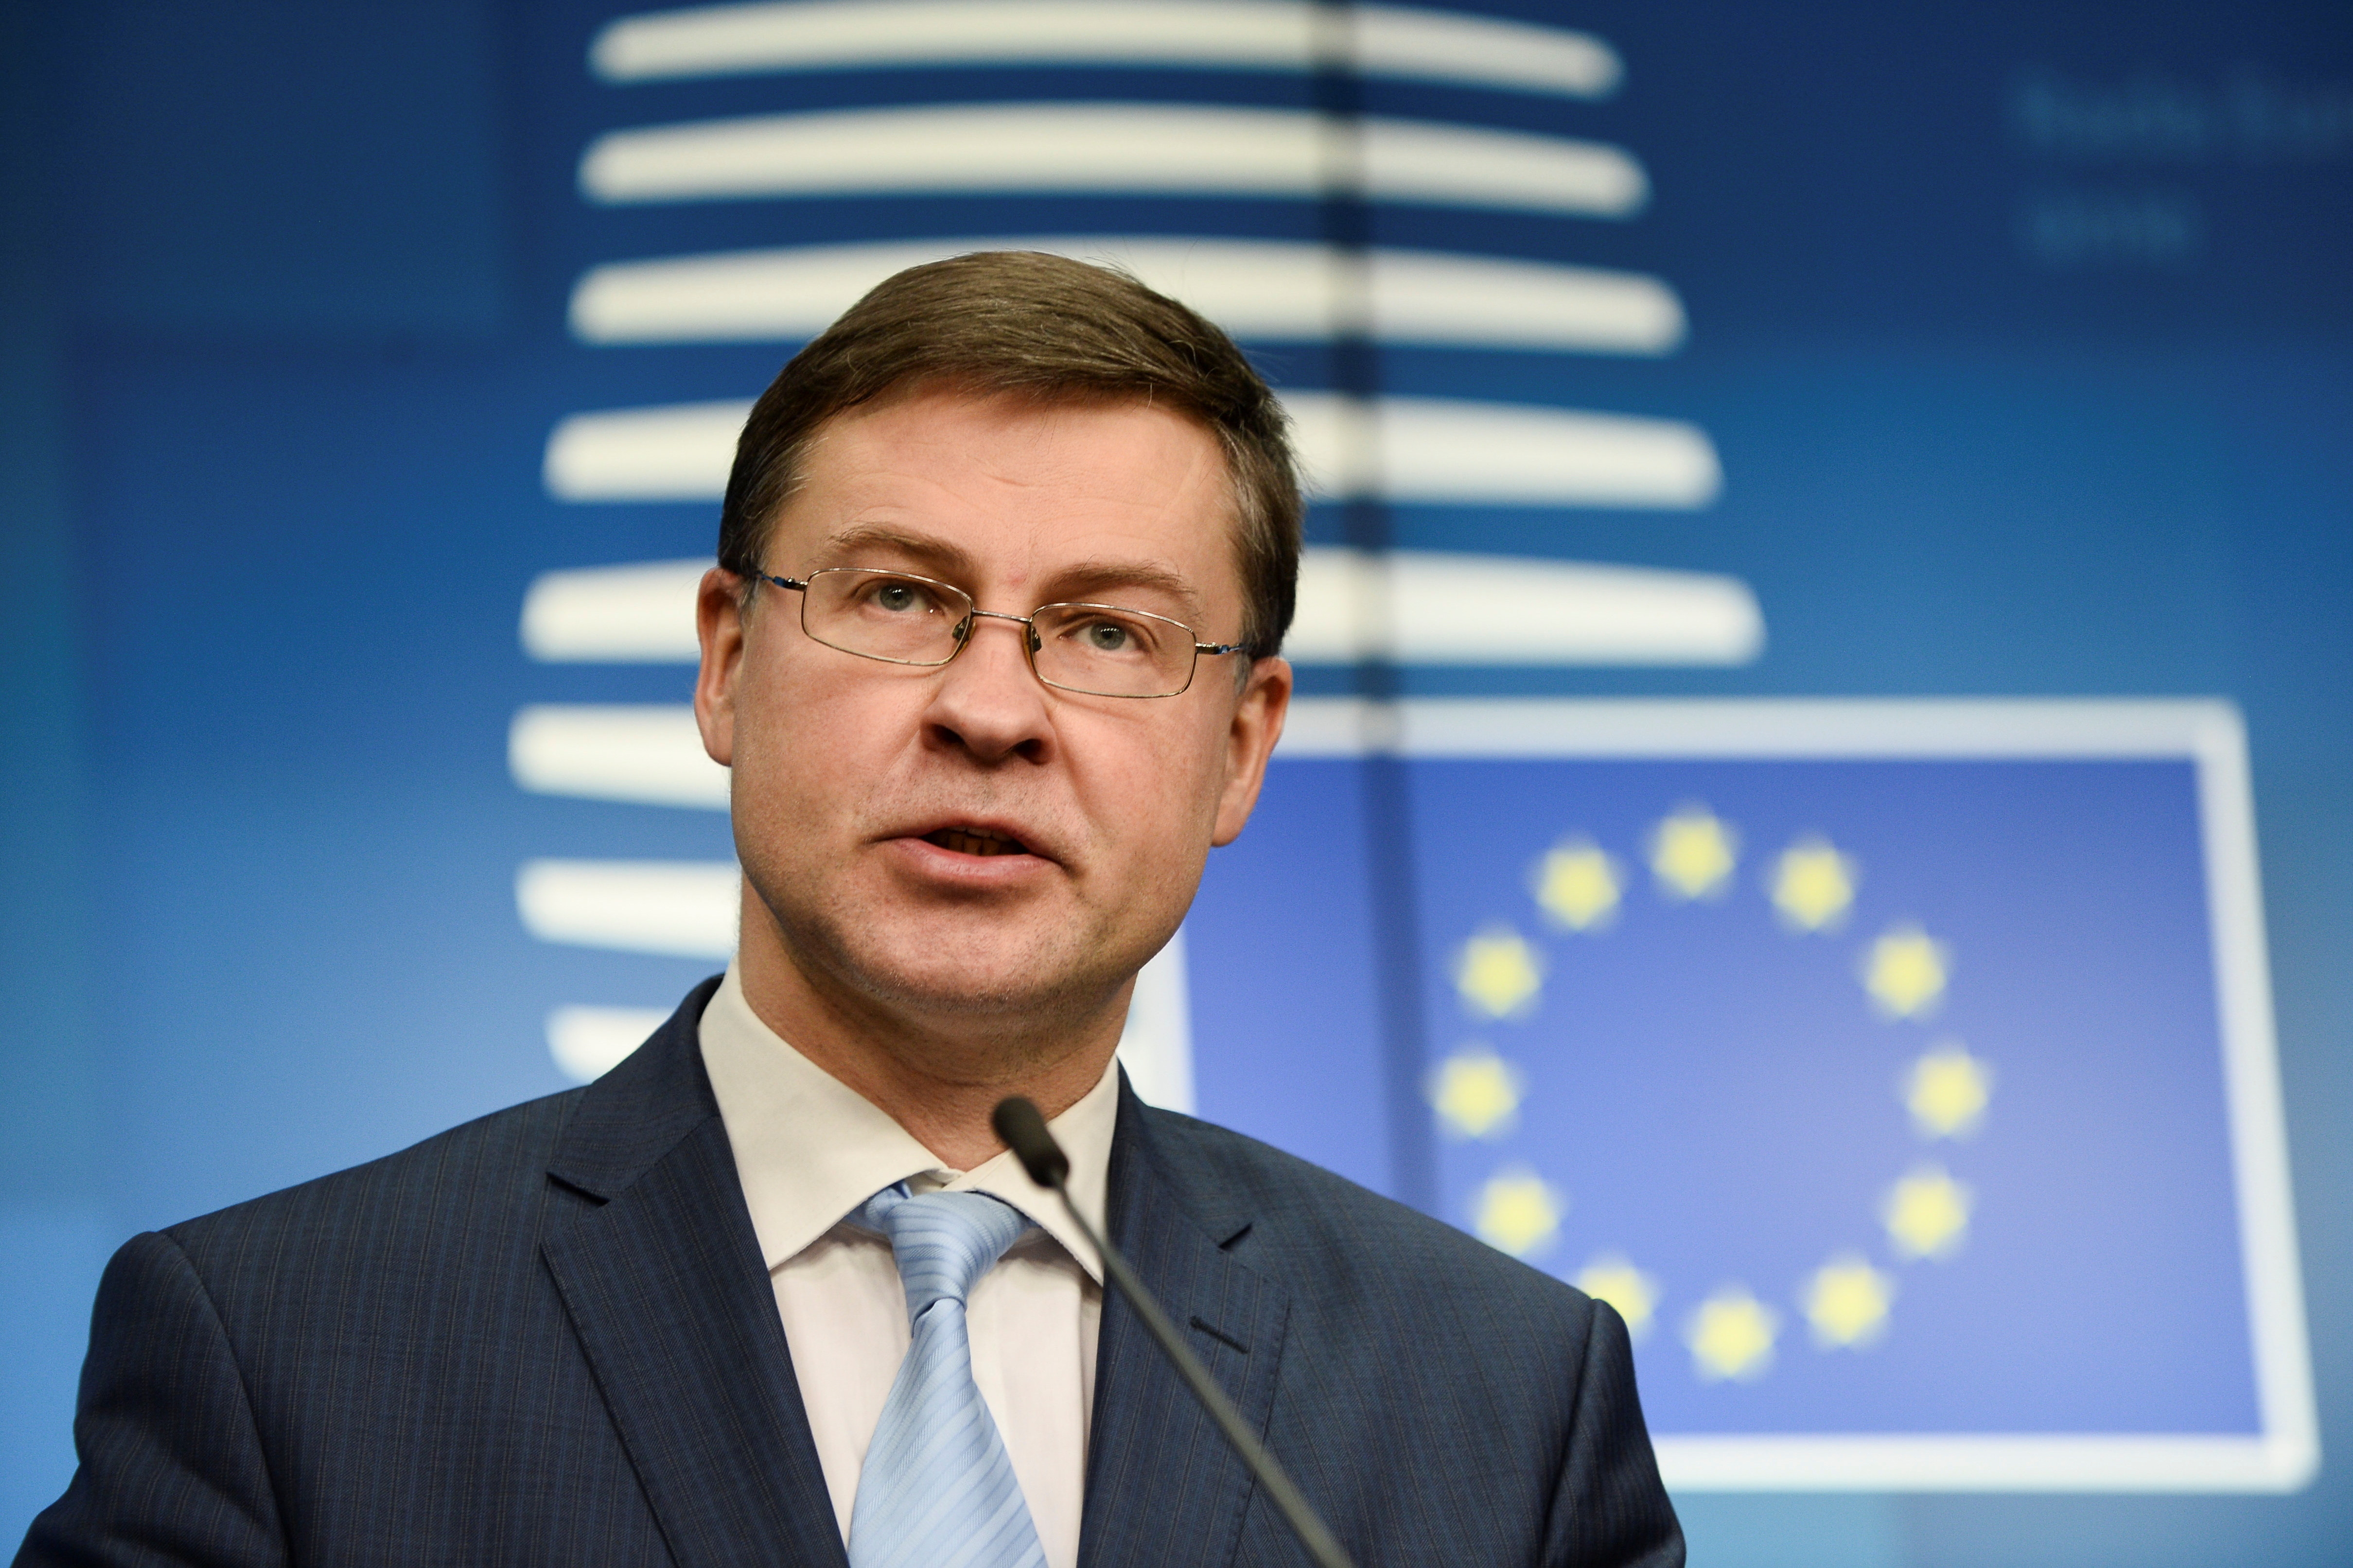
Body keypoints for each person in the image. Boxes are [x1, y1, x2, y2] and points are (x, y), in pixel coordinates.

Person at [17, 252, 1683, 1568]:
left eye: (1108, 632)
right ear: (729, 661)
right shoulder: (283, 1351)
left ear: (1240, 746)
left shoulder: (1506, 1399)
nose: (992, 709)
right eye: (901, 596)